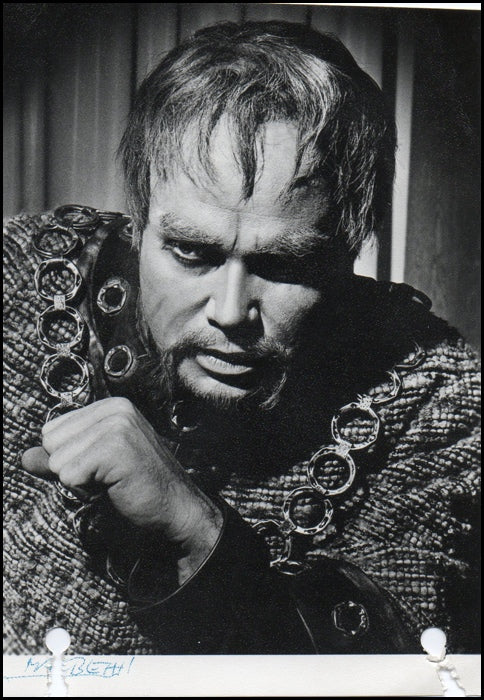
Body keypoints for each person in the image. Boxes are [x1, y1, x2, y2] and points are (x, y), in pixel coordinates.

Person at [4, 20, 480, 655]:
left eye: (284, 265)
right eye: (191, 252)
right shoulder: (18, 286)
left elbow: (409, 673)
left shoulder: (433, 399)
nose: (230, 313)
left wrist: (197, 531)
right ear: (137, 222)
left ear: (351, 249)